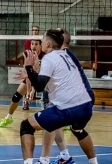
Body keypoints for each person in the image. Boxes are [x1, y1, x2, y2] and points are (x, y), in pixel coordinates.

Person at [20, 29, 98, 164]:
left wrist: (29, 68)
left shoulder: (49, 58)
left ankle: (40, 160)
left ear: (48, 44)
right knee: (77, 130)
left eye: (43, 40)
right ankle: (90, 162)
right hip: (86, 106)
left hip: (68, 108)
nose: (41, 42)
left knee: (26, 126)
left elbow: (39, 87)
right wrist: (35, 72)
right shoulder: (68, 55)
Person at [0, 39, 44, 127]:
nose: (34, 46)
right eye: (32, 44)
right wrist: (28, 92)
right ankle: (8, 118)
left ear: (40, 46)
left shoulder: (45, 56)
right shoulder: (27, 54)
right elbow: (27, 75)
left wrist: (33, 91)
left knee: (51, 100)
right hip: (31, 77)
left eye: (36, 44)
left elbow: (38, 78)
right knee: (16, 97)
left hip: (44, 79)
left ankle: (64, 122)